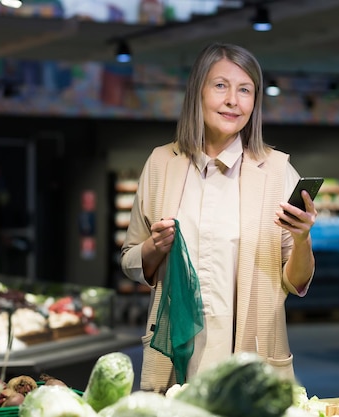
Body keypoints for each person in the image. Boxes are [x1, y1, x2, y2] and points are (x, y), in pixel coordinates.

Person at [120, 42, 317, 393]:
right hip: (177, 357)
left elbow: (296, 282)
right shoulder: (162, 164)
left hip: (250, 358)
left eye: (245, 90)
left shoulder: (277, 171)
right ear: (198, 91)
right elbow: (130, 259)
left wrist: (302, 239)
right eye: (221, 86)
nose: (233, 101)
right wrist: (153, 247)